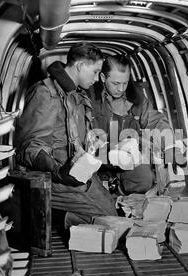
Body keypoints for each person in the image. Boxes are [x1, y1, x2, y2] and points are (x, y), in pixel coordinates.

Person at [14, 43, 118, 228]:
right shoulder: (46, 94)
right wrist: (58, 172)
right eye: (95, 72)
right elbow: (29, 147)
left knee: (113, 213)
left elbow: (68, 135)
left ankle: (61, 216)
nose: (97, 79)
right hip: (56, 178)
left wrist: (92, 138)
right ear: (79, 66)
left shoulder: (74, 93)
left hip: (76, 173)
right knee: (109, 222)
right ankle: (54, 216)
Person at [88, 54, 184, 195]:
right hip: (98, 156)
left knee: (144, 179)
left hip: (129, 156)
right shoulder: (89, 97)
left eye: (125, 83)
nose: (121, 89)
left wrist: (170, 145)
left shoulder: (137, 97)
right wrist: (106, 151)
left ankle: (123, 196)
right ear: (103, 78)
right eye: (115, 83)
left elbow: (155, 121)